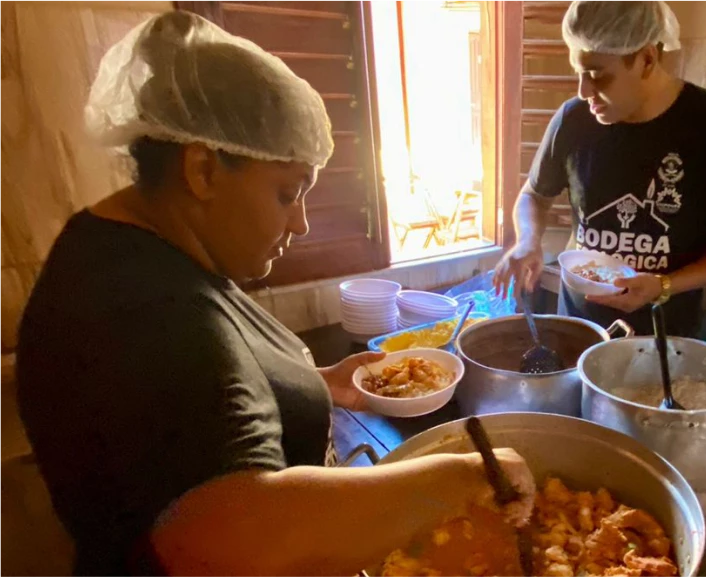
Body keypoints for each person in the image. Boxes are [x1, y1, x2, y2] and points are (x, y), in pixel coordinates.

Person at [15, 12, 534, 577]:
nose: (301, 224)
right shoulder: (136, 308)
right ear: (203, 171)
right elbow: (240, 535)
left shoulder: (146, 251)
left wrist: (313, 384)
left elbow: (195, 406)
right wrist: (461, 477)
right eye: (288, 193)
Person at [494, 0, 706, 336]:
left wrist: (664, 284)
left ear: (646, 59)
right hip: (577, 330)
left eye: (598, 76)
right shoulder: (573, 120)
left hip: (663, 337)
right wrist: (528, 240)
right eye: (578, 73)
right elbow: (535, 195)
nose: (584, 91)